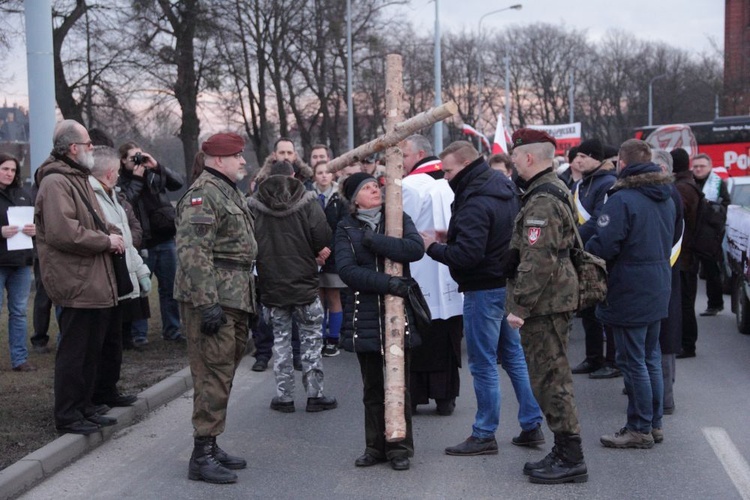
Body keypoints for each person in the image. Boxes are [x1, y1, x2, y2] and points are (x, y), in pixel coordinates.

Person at [422, 141, 545, 457]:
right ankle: (532, 425)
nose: (445, 176)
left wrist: (431, 248)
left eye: (448, 170)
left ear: (463, 165)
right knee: (513, 356)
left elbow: (468, 255)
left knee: (483, 363)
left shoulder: (475, 199)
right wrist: (449, 237)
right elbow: (493, 237)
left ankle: (484, 433)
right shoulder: (500, 185)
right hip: (504, 282)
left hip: (482, 289)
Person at [174, 133, 257, 484]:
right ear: (218, 160)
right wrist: (207, 304)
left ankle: (211, 443)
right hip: (215, 298)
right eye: (237, 156)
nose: (243, 161)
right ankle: (201, 455)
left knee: (222, 372)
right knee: (212, 374)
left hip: (234, 295)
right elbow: (194, 253)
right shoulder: (202, 194)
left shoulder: (226, 190)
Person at [505, 128, 587, 485]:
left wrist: (519, 307)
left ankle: (571, 457)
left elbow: (539, 259)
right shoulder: (549, 188)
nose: (511, 163)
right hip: (552, 297)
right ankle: (563, 448)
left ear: (528, 157)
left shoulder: (542, 198)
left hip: (546, 301)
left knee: (551, 378)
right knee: (548, 376)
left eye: (514, 157)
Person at [35, 119, 125, 435]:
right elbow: (64, 232)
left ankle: (85, 407)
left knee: (91, 349)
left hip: (92, 278)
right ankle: (68, 414)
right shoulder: (56, 182)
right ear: (73, 148)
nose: (92, 149)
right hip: (75, 280)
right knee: (75, 351)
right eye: (88, 144)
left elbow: (95, 219)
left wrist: (112, 231)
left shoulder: (78, 178)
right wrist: (105, 241)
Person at [587, 139, 675, 449]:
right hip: (657, 283)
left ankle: (639, 427)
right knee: (650, 357)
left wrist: (586, 248)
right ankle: (654, 423)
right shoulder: (666, 195)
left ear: (622, 164)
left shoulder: (622, 199)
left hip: (629, 287)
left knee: (632, 360)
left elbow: (606, 243)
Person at [335, 172, 425, 471]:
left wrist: (378, 241)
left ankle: (399, 447)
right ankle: (374, 447)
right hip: (366, 316)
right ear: (354, 198)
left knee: (399, 386)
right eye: (367, 187)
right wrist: (389, 283)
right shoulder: (345, 227)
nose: (375, 189)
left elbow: (415, 248)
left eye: (376, 185)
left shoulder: (397, 218)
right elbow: (348, 271)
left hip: (398, 314)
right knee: (373, 386)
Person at [249, 160, 337, 414]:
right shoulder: (308, 201)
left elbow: (250, 242)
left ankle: (284, 397)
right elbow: (322, 237)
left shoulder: (254, 205)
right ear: (294, 175)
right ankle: (315, 394)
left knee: (281, 342)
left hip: (271, 285)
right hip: (304, 283)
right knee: (311, 339)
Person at [400, 134, 464, 416]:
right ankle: (445, 396)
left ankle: (414, 396)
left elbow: (398, 228)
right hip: (452, 269)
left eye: (403, 156)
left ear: (419, 154)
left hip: (419, 270)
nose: (400, 163)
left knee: (417, 332)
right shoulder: (453, 181)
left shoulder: (410, 186)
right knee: (447, 332)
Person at [89, 147, 148, 407]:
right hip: (105, 279)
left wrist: (142, 272)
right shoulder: (92, 197)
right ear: (111, 172)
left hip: (120, 275)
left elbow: (127, 240)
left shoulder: (113, 196)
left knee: (114, 341)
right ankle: (96, 394)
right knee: (100, 343)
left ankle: (108, 390)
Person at [118, 141, 185, 346]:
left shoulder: (153, 174)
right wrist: (137, 180)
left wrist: (156, 166)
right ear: (122, 161)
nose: (138, 160)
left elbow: (178, 183)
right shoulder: (121, 181)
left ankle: (172, 330)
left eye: (140, 155)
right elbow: (125, 203)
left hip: (165, 239)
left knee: (169, 288)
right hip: (143, 244)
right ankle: (139, 334)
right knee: (140, 289)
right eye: (133, 158)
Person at [569, 138, 620, 379]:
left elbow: (598, 219)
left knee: (606, 310)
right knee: (588, 308)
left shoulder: (608, 183)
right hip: (583, 254)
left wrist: (571, 239)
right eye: (577, 155)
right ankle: (593, 358)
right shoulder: (582, 184)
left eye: (584, 156)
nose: (578, 160)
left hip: (597, 254)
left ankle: (612, 360)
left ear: (598, 159)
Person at [652, 149, 684, 416]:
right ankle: (665, 395)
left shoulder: (667, 195)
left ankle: (665, 397)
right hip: (666, 271)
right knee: (665, 334)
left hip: (663, 271)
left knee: (663, 336)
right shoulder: (669, 193)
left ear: (662, 169)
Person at [0, 152, 36, 371]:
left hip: (21, 262)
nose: (9, 173)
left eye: (13, 170)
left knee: (19, 311)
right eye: (5, 168)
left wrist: (34, 230)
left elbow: (37, 223)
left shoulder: (24, 194)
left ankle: (20, 359)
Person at [312, 161, 347, 357]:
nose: (324, 175)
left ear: (333, 175)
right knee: (317, 298)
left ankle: (333, 339)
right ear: (314, 175)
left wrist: (328, 249)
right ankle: (318, 337)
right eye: (319, 172)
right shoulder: (309, 198)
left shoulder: (339, 198)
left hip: (333, 256)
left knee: (333, 296)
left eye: (327, 172)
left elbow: (341, 226)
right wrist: (316, 251)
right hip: (315, 257)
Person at [671, 148, 701, 359]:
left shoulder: (682, 188)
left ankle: (687, 344)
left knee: (684, 301)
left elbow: (678, 217)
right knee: (685, 299)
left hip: (685, 253)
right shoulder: (688, 184)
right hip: (687, 252)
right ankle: (686, 342)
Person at [692, 153, 730, 316]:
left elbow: (726, 205)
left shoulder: (717, 183)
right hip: (692, 234)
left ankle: (715, 304)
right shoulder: (690, 183)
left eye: (702, 166)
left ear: (710, 167)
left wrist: (711, 208)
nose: (698, 169)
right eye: (696, 166)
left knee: (711, 271)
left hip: (710, 235)